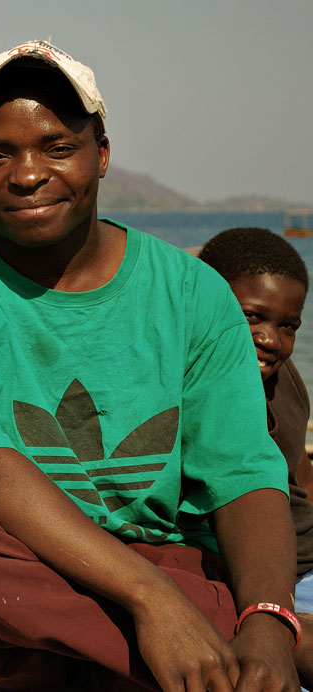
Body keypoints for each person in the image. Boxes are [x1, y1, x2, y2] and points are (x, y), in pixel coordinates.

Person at [0, 40, 299, 690]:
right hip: (11, 571)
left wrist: (269, 621)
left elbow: (244, 471)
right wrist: (154, 603)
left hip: (137, 567)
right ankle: (219, 639)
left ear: (101, 154)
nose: (26, 174)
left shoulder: (192, 293)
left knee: (194, 573)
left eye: (56, 147)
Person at [199, 227, 313, 686]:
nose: (271, 339)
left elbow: (297, 477)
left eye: (288, 326)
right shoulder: (194, 393)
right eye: (253, 318)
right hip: (266, 574)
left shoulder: (286, 385)